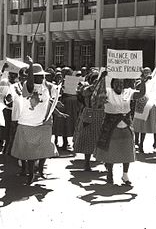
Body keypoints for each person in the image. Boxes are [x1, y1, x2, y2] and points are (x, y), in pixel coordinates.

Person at [11, 57, 68, 185]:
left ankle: (40, 170)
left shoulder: (46, 86)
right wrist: (30, 66)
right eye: (38, 76)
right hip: (28, 124)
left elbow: (51, 99)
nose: (41, 78)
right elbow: (30, 83)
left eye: (42, 76)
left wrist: (57, 111)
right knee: (30, 152)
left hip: (42, 123)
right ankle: (30, 173)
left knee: (43, 148)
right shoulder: (28, 86)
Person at [95, 73, 150, 185]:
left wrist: (143, 81)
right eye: (116, 83)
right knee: (110, 151)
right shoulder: (107, 92)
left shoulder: (128, 92)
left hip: (126, 126)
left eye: (121, 83)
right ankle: (109, 173)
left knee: (127, 152)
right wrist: (101, 78)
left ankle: (125, 175)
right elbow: (96, 96)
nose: (119, 85)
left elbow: (141, 94)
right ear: (112, 84)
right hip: (111, 126)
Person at [73, 70, 106, 171]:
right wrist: (100, 78)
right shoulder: (86, 88)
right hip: (89, 114)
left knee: (103, 138)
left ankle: (104, 160)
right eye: (95, 79)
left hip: (102, 115)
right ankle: (87, 163)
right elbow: (91, 89)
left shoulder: (104, 90)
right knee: (88, 138)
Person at [133, 67, 156, 153]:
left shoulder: (154, 81)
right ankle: (140, 144)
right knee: (142, 126)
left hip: (153, 104)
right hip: (142, 104)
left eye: (148, 72)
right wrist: (144, 80)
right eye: (145, 72)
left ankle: (155, 143)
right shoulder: (139, 80)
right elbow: (138, 88)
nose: (147, 73)